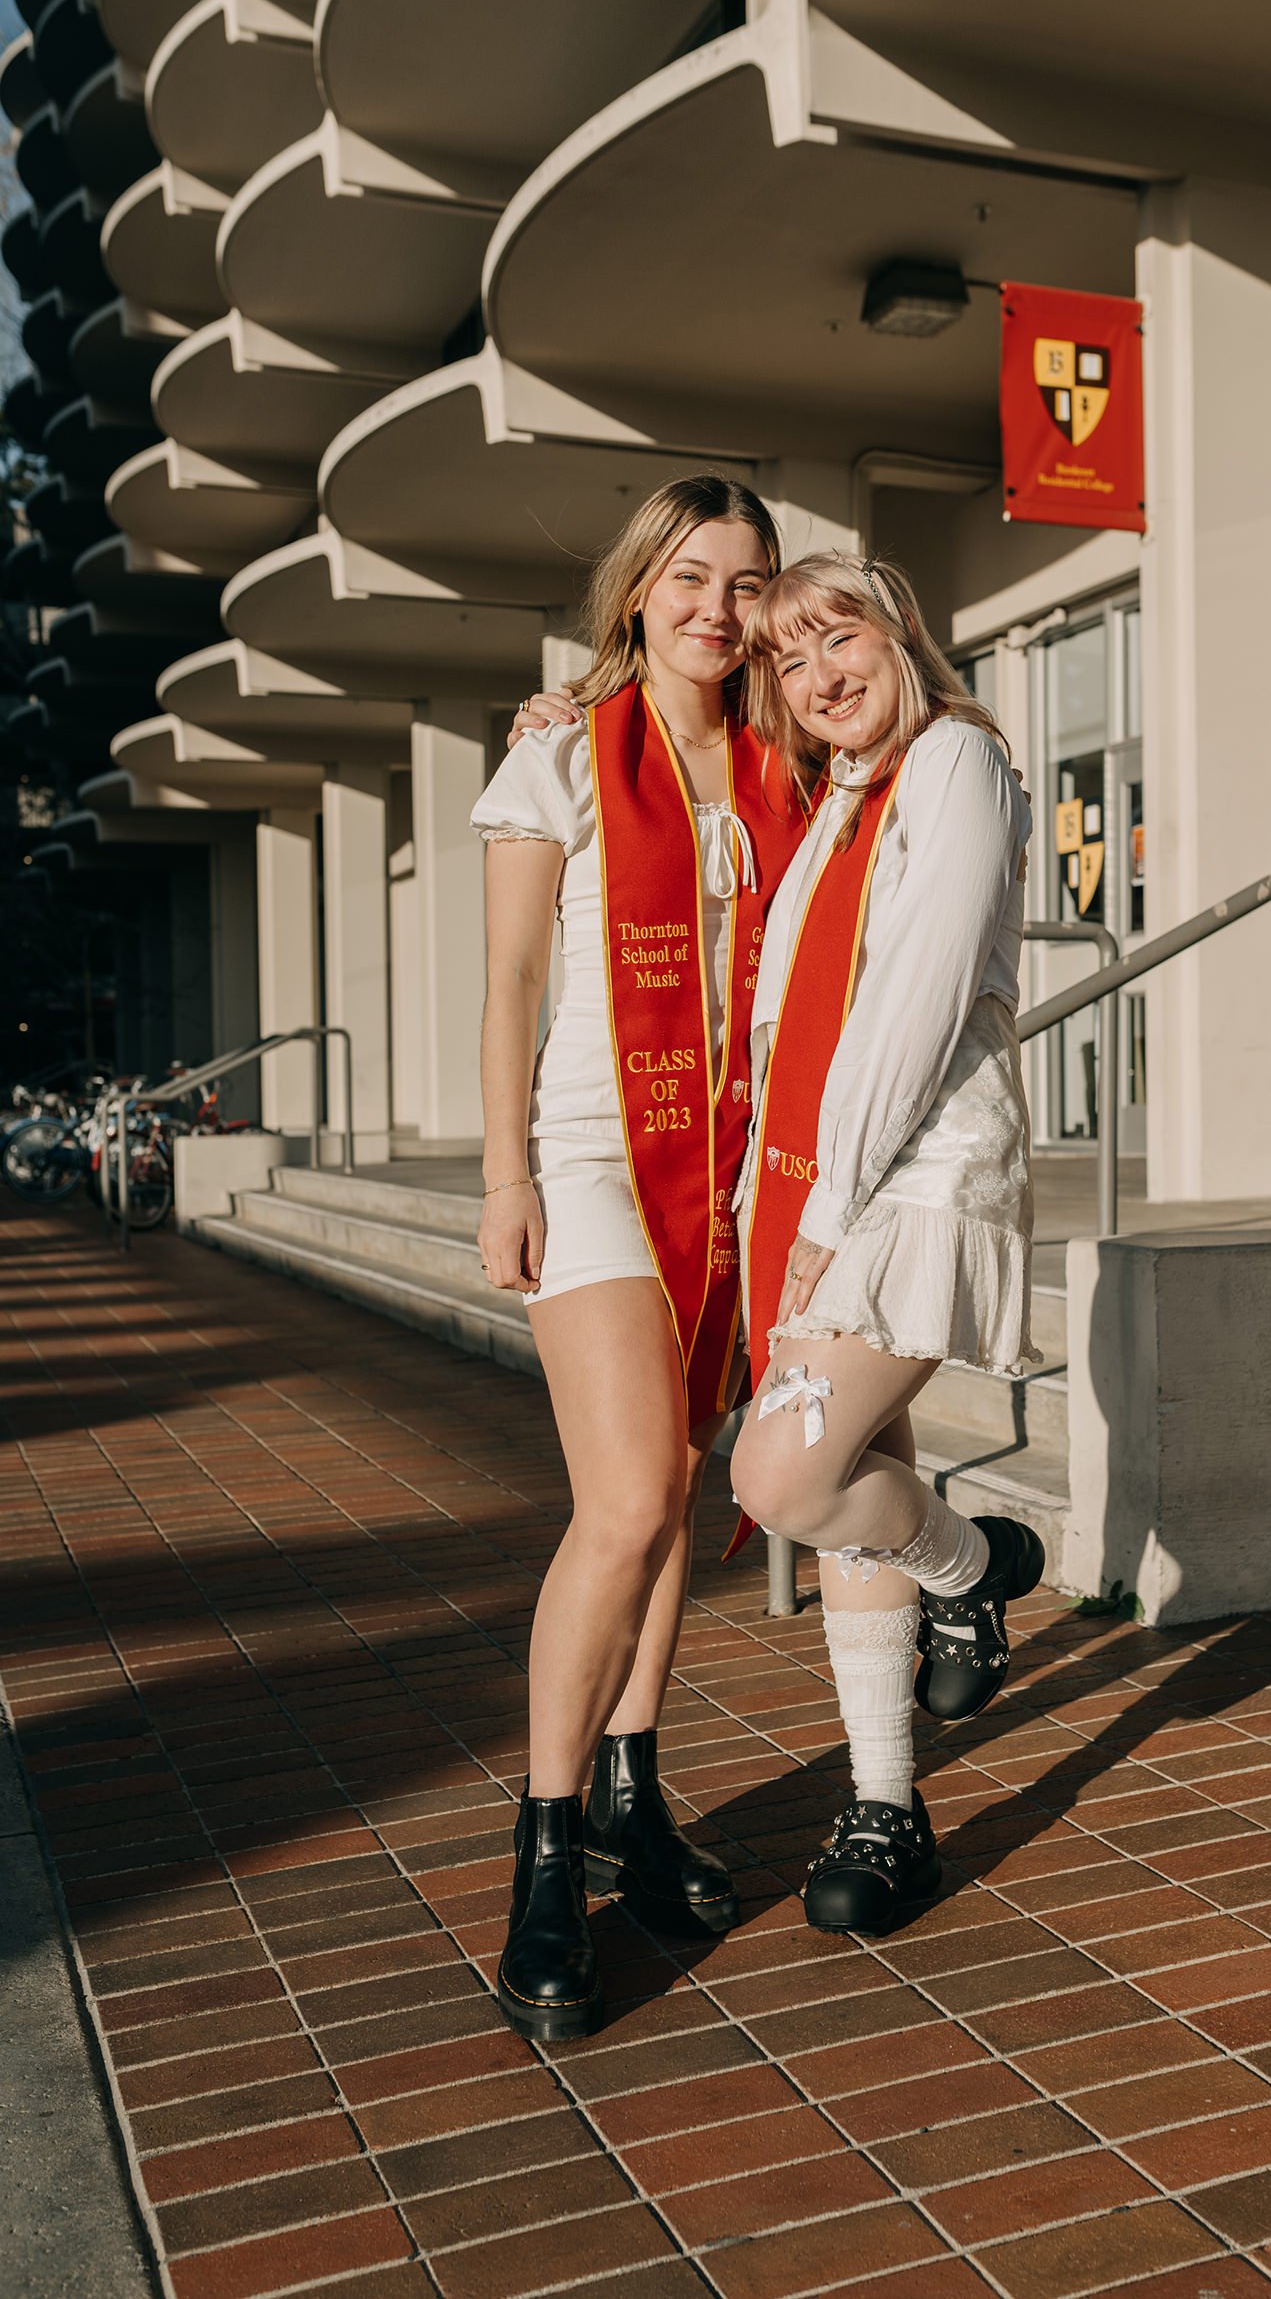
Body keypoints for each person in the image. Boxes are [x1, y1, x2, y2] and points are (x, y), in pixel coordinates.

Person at [470, 475, 808, 2039]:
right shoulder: (562, 754)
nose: (717, 612)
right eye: (691, 578)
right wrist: (504, 1177)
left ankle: (634, 1789)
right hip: (599, 1161)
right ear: (638, 588)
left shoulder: (787, 761)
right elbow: (515, 976)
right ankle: (546, 1853)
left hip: (732, 1177)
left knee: (674, 1481)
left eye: (746, 586)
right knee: (624, 1500)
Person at [728, 550, 1044, 1936]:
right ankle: (885, 1801)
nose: (815, 679)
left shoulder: (956, 766)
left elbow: (913, 1008)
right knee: (854, 1470)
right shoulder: (837, 806)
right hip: (819, 1188)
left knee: (786, 1477)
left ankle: (972, 1573)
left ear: (898, 634)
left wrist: (817, 1211)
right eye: (787, 664)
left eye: (833, 639)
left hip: (907, 1186)